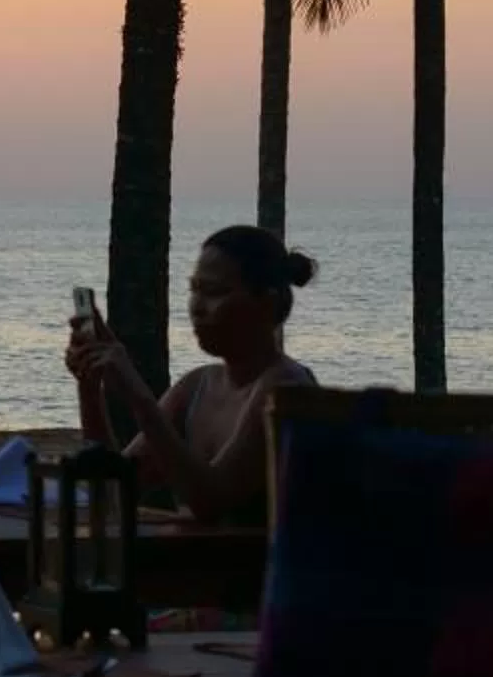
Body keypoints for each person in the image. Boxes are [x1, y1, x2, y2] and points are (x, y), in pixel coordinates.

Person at [64, 224, 319, 525]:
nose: (197, 307)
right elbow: (114, 490)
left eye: (215, 292)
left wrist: (138, 394)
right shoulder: (197, 385)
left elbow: (211, 502)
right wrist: (89, 386)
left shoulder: (285, 388)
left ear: (267, 303)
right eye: (194, 289)